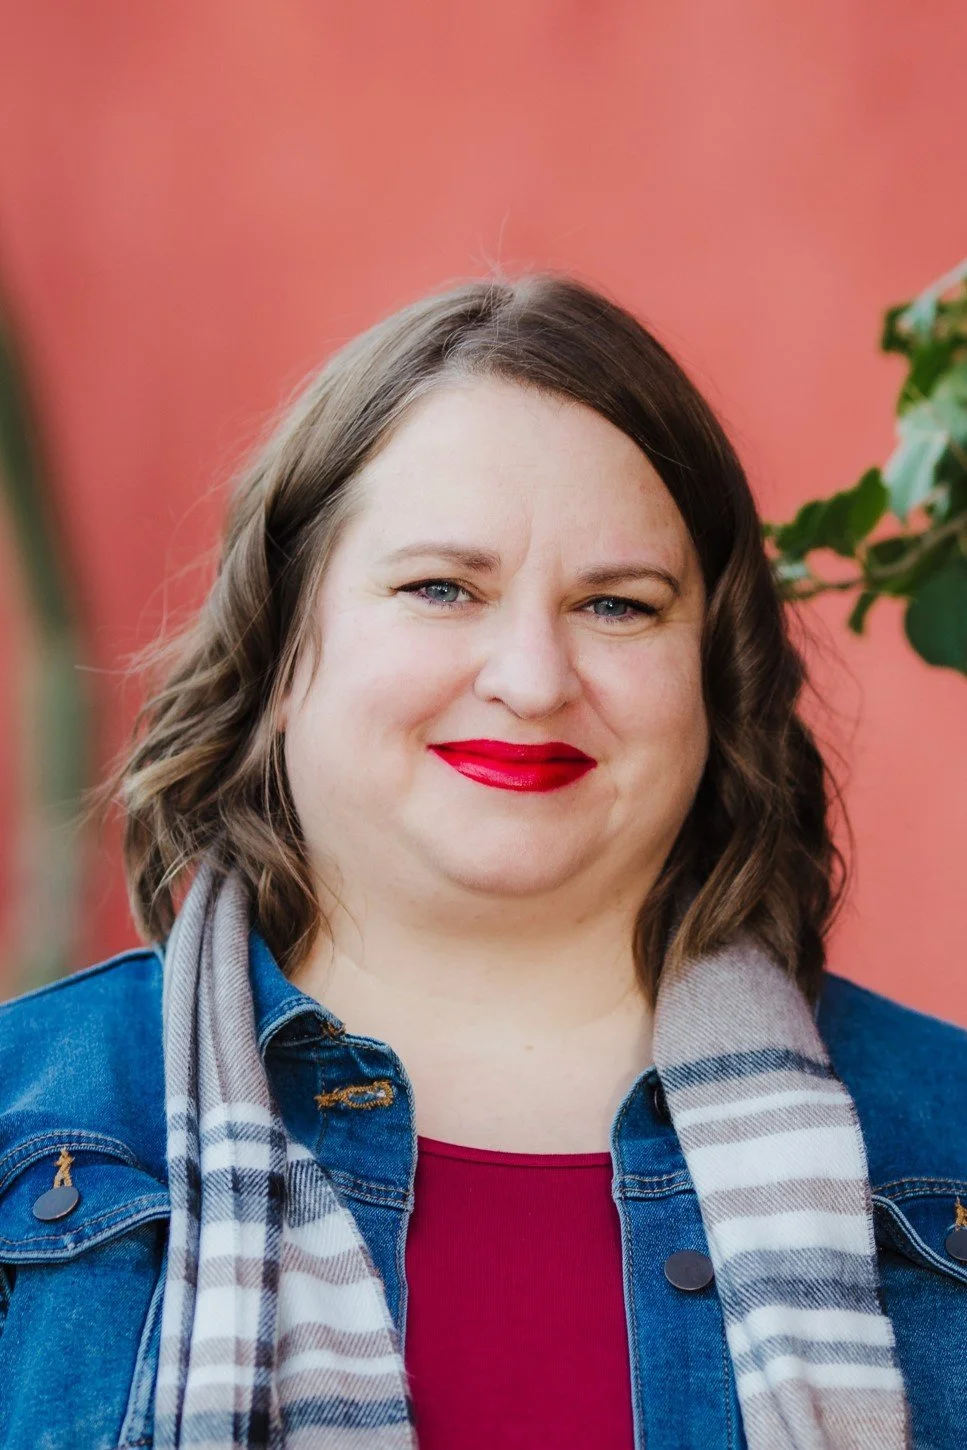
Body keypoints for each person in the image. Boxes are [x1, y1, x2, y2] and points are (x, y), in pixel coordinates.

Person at [0, 272, 964, 1450]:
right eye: (442, 588)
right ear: (281, 639)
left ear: (716, 671)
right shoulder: (24, 1121)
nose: (532, 677)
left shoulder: (946, 1138)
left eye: (618, 604)